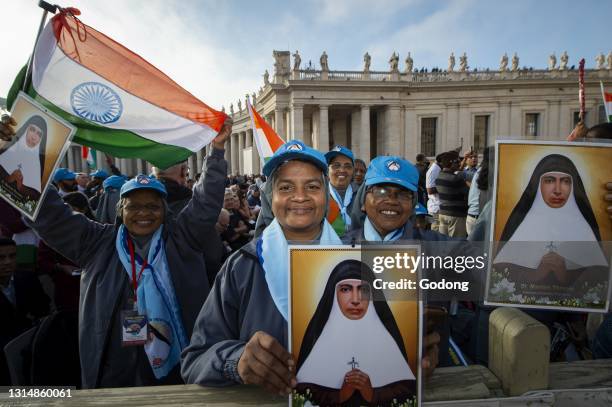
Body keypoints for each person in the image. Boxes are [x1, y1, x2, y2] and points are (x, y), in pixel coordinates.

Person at [1, 115, 232, 388]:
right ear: (120, 211)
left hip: (179, 368)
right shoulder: (96, 242)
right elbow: (49, 215)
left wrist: (216, 151)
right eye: (134, 206)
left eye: (152, 206)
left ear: (165, 211)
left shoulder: (181, 238)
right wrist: (10, 155)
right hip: (114, 368)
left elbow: (206, 202)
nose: (143, 213)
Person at [181, 140, 342, 394]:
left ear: (326, 194)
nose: (300, 196)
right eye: (286, 187)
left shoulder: (361, 264)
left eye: (312, 186)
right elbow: (194, 361)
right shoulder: (241, 266)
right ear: (270, 196)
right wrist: (236, 360)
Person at [295, 259, 416, 406]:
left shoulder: (387, 341)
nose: (355, 300)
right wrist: (339, 396)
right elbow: (300, 393)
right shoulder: (318, 343)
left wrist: (373, 394)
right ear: (334, 294)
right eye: (346, 289)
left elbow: (408, 392)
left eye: (363, 290)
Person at [493, 154, 608, 287]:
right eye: (549, 181)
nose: (558, 190)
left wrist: (567, 276)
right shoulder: (522, 224)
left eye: (565, 181)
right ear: (538, 184)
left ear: (573, 186)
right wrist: (534, 275)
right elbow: (498, 275)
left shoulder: (584, 227)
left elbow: (601, 279)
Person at [0, 115, 47, 201]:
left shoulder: (37, 163)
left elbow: (34, 197)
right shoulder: (5, 148)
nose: (34, 137)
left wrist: (20, 186)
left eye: (39, 134)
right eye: (32, 130)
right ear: (26, 129)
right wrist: (9, 178)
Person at [325, 145, 357, 237]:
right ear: (328, 170)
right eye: (336, 166)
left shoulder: (362, 196)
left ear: (353, 171)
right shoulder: (320, 196)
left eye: (347, 166)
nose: (342, 170)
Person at [436, 151, 468, 238]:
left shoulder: (439, 177)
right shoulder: (456, 179)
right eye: (457, 162)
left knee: (443, 243)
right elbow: (467, 193)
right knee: (456, 245)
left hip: (443, 213)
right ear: (451, 163)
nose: (459, 164)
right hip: (456, 215)